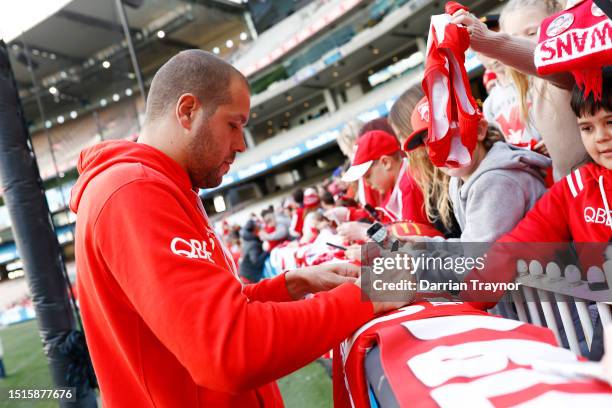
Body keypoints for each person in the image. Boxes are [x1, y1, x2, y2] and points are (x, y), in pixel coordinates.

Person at [70, 50, 406, 407]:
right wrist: (368, 294)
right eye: (234, 124)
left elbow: (212, 311)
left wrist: (293, 284)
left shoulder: (159, 185)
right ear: (187, 111)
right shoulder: (134, 191)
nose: (242, 144)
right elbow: (228, 348)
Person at [451, 0, 587, 180]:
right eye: (513, 37)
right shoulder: (508, 93)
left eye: (531, 33)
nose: (520, 43)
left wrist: (488, 41)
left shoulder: (567, 70)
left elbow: (545, 61)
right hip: (561, 186)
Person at [388, 86, 461, 238]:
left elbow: (410, 244)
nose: (402, 146)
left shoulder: (457, 172)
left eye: (402, 135)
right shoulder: (435, 179)